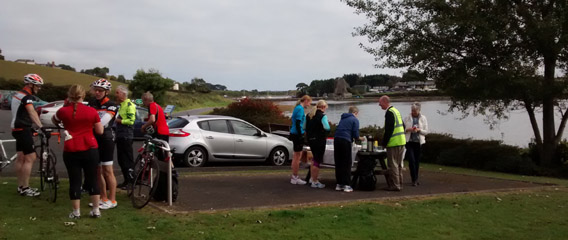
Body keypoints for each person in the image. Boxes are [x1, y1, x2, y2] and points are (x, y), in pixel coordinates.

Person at [52, 84, 104, 218]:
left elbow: (54, 120)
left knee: (75, 180)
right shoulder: (92, 111)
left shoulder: (63, 111)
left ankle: (76, 212)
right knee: (93, 179)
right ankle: (96, 210)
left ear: (69, 95)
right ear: (83, 96)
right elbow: (100, 130)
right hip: (90, 147)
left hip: (71, 148)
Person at [10, 73, 44, 197]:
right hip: (23, 128)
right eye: (37, 86)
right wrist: (41, 127)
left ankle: (20, 186)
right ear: (30, 84)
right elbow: (31, 112)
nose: (39, 88)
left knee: (21, 157)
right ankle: (25, 187)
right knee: (31, 158)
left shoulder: (17, 94)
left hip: (16, 128)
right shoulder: (26, 97)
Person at [89, 79, 118, 209]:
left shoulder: (112, 105)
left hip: (106, 138)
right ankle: (103, 197)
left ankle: (112, 200)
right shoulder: (92, 103)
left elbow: (103, 121)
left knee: (107, 171)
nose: (97, 92)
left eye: (100, 90)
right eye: (95, 90)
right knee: (97, 170)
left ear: (106, 92)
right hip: (94, 138)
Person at [333, 106, 365, 192]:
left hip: (336, 140)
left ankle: (339, 183)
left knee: (339, 162)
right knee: (347, 162)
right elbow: (355, 134)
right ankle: (347, 184)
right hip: (345, 140)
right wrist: (361, 138)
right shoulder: (354, 120)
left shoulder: (343, 118)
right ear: (356, 113)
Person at [379, 95, 406, 191]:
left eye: (380, 103)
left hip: (394, 142)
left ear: (385, 102)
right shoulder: (396, 111)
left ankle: (395, 185)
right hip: (402, 141)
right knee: (398, 164)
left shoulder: (389, 112)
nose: (379, 105)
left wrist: (384, 143)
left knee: (392, 165)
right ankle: (400, 183)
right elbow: (403, 125)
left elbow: (389, 130)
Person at [114, 85, 136, 190]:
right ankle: (126, 180)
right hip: (120, 135)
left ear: (123, 94)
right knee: (121, 160)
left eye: (117, 93)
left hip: (126, 135)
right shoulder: (121, 105)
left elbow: (131, 121)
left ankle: (132, 182)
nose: (116, 95)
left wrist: (120, 121)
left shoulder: (129, 105)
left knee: (128, 160)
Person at [305, 100, 330, 189]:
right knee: (317, 161)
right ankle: (315, 181)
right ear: (323, 107)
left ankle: (312, 178)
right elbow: (327, 127)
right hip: (319, 140)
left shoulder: (309, 115)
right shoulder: (322, 116)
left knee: (314, 159)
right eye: (326, 107)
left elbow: (304, 126)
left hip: (310, 140)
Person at [404, 102, 429, 186]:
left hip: (418, 142)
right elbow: (403, 129)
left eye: (415, 111)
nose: (413, 112)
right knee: (411, 160)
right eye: (412, 110)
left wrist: (419, 130)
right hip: (409, 142)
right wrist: (408, 130)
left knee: (417, 161)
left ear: (419, 110)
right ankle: (413, 179)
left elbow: (426, 131)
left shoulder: (423, 118)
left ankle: (416, 178)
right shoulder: (407, 118)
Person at [289, 95, 312, 185]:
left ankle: (294, 176)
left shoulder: (298, 108)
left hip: (295, 133)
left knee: (297, 155)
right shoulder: (300, 109)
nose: (309, 104)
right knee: (297, 156)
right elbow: (298, 122)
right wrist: (300, 135)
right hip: (297, 134)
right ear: (306, 100)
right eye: (309, 102)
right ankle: (295, 177)